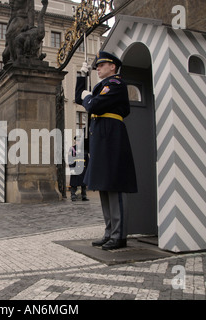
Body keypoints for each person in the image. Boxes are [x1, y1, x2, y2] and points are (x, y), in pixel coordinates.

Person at [75, 51, 137, 250]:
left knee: (115, 186)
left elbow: (96, 105)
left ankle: (119, 235)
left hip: (112, 138)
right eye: (96, 67)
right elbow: (80, 99)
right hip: (101, 138)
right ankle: (109, 232)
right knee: (104, 185)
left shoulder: (116, 84)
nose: (98, 69)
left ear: (112, 66)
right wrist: (81, 77)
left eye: (101, 66)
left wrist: (88, 98)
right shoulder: (101, 86)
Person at [68, 136, 89, 201]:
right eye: (77, 141)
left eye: (79, 141)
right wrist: (72, 168)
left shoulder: (84, 149)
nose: (78, 142)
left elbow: (87, 159)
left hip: (83, 168)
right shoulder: (72, 149)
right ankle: (73, 195)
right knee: (74, 183)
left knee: (83, 184)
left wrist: (88, 169)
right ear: (75, 141)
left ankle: (84, 196)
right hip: (75, 168)